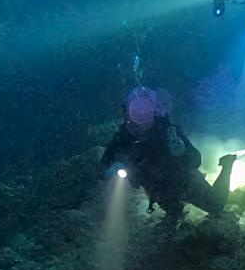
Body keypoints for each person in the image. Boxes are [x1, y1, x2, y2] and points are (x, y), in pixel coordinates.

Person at [101, 87, 237, 222]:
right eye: (137, 113)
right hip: (157, 190)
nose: (142, 121)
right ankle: (174, 213)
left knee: (216, 205)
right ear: (128, 114)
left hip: (185, 181)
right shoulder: (121, 140)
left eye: (146, 114)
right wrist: (113, 169)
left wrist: (183, 152)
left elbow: (196, 160)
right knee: (174, 211)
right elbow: (104, 165)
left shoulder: (169, 132)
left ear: (153, 113)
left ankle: (227, 164)